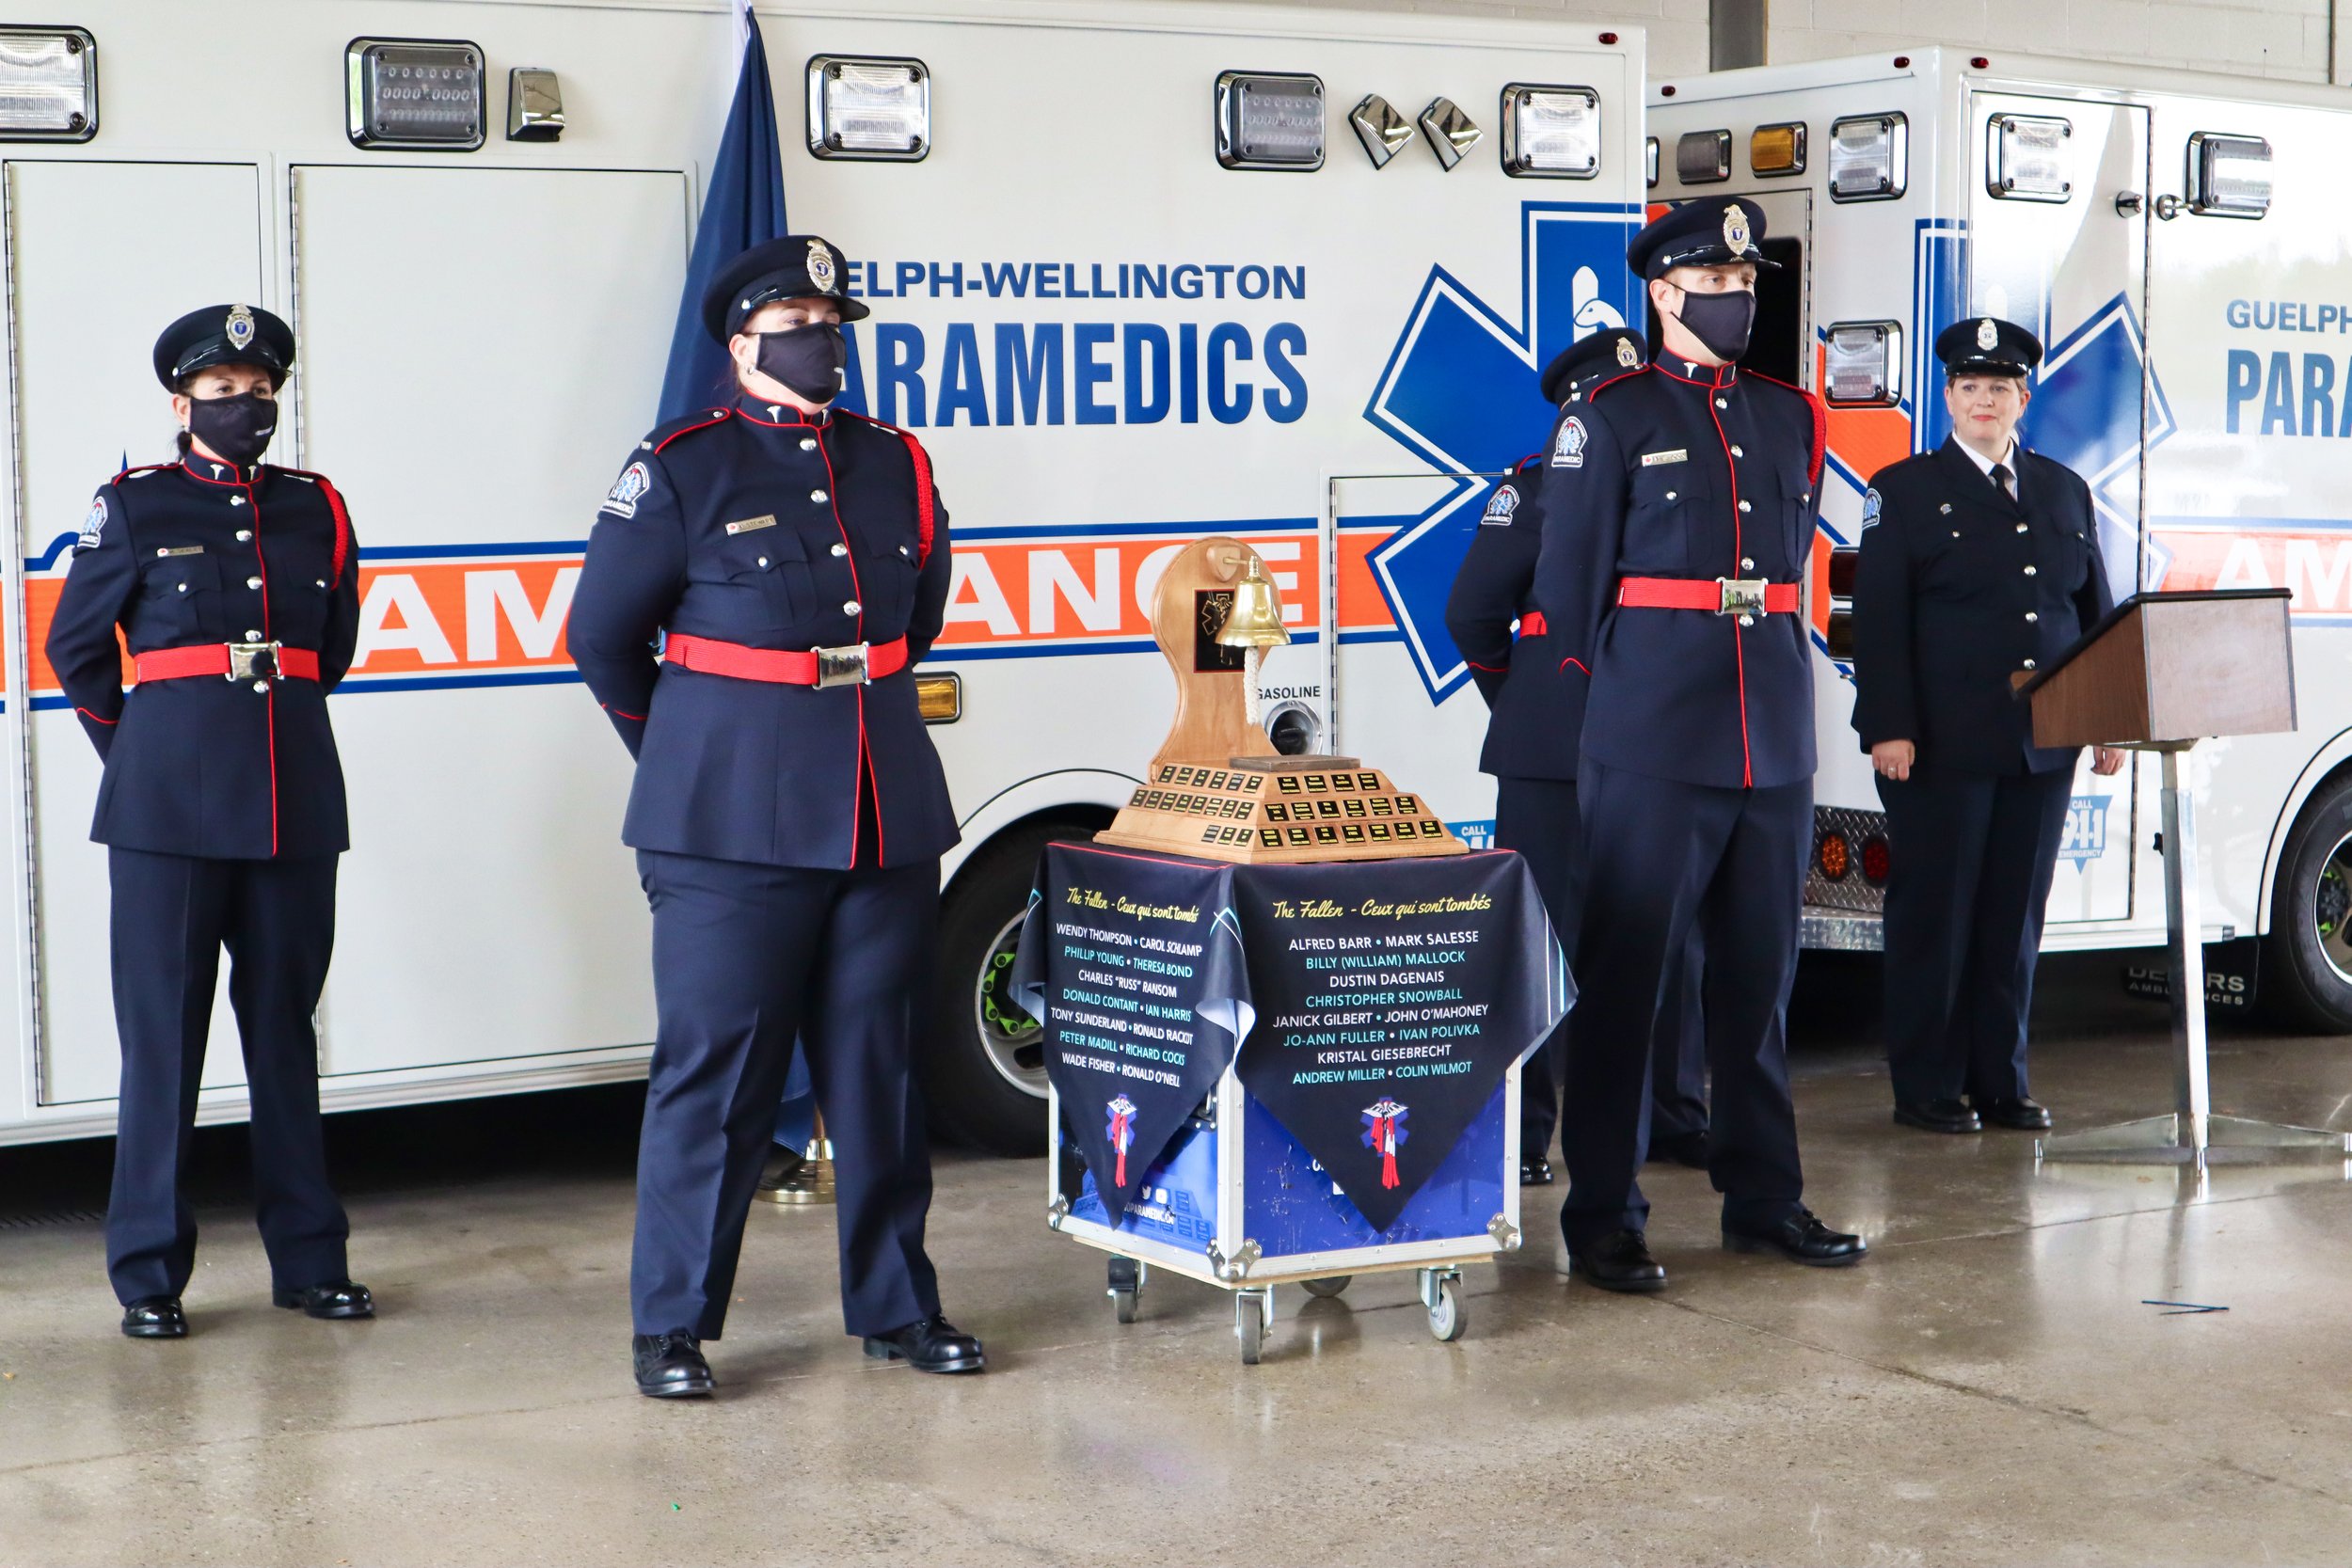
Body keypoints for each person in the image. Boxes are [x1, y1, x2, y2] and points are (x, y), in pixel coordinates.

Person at [570, 234, 981, 1397]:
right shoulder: (683, 464)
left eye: (830, 318)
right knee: (719, 1075)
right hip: (725, 827)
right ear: (742, 343)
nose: (821, 338)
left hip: (877, 806)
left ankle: (899, 1307)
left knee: (882, 1071)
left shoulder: (893, 459)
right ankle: (673, 1324)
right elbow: (602, 636)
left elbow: (920, 616)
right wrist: (693, 758)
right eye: (795, 321)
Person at [1532, 199, 1867, 1293]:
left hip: (1768, 727)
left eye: (1746, 285)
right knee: (1628, 977)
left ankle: (1763, 1195)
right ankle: (1604, 1212)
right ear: (1664, 294)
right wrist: (1610, 710)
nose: (1738, 301)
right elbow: (1569, 593)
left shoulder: (1789, 416)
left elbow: (1786, 570)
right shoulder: (1609, 416)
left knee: (1760, 981)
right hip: (1650, 729)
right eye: (1717, 287)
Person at [47, 304, 372, 1338]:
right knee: (164, 1043)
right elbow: (79, 649)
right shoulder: (134, 505)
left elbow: (334, 646)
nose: (246, 406)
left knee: (285, 1035)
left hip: (292, 805)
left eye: (261, 389)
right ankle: (148, 1272)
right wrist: (140, 754)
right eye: (224, 392)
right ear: (181, 401)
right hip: (166, 816)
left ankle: (311, 1261)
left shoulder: (317, 507)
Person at [1444, 327, 1708, 1186]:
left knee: (1668, 937)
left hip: (1661, 751)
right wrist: (1529, 702)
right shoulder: (1531, 494)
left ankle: (1673, 1117)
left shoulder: (1677, 485)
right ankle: (1524, 1137)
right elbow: (1473, 615)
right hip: (1554, 760)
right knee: (1539, 946)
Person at [1851, 317, 2122, 1135]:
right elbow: (1880, 622)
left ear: (2022, 398)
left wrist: (2108, 715)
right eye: (1969, 387)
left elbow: (2092, 611)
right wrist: (1888, 727)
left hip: (2042, 743)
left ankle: (1999, 1081)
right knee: (1937, 915)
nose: (1983, 400)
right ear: (1947, 396)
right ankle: (1928, 1086)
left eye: (1999, 388)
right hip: (1938, 743)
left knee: (2013, 918)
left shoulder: (2063, 489)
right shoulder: (1900, 490)